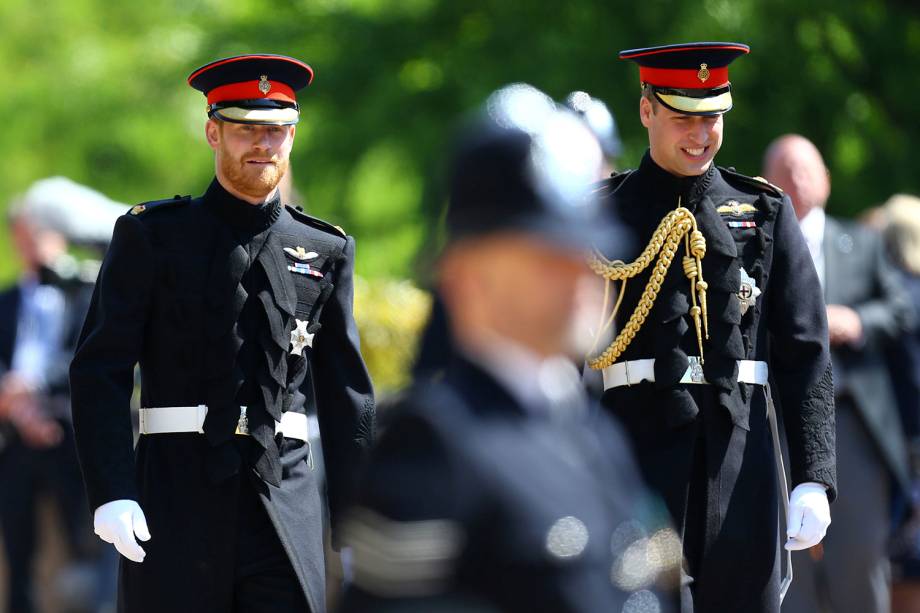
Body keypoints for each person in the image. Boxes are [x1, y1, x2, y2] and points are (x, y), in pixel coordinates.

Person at [339, 85, 677, 613]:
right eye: (549, 257)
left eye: (584, 250)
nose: (582, 276)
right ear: (468, 277)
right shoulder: (432, 451)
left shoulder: (595, 433)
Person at [69, 54, 375, 613]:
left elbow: (347, 394)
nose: (265, 144)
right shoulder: (151, 235)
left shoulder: (326, 250)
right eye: (247, 129)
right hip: (174, 497)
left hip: (285, 501)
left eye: (279, 131)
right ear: (214, 132)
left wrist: (359, 520)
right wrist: (111, 489)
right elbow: (100, 371)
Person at [586, 42, 836, 612]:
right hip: (632, 456)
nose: (701, 135)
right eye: (683, 117)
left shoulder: (764, 211)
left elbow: (804, 353)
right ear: (647, 109)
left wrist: (813, 476)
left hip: (739, 457)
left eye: (713, 118)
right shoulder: (598, 213)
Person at [763, 135, 914, 613]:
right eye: (785, 171)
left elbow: (902, 310)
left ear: (826, 179)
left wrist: (858, 320)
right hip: (785, 425)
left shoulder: (863, 245)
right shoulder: (758, 244)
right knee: (792, 564)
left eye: (806, 169)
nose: (798, 180)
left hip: (855, 424)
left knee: (859, 562)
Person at [0, 180, 116, 613]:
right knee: (17, 549)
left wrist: (32, 388)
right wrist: (16, 402)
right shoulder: (6, 301)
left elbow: (86, 358)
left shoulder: (86, 291)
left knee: (86, 545)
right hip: (14, 439)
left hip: (68, 435)